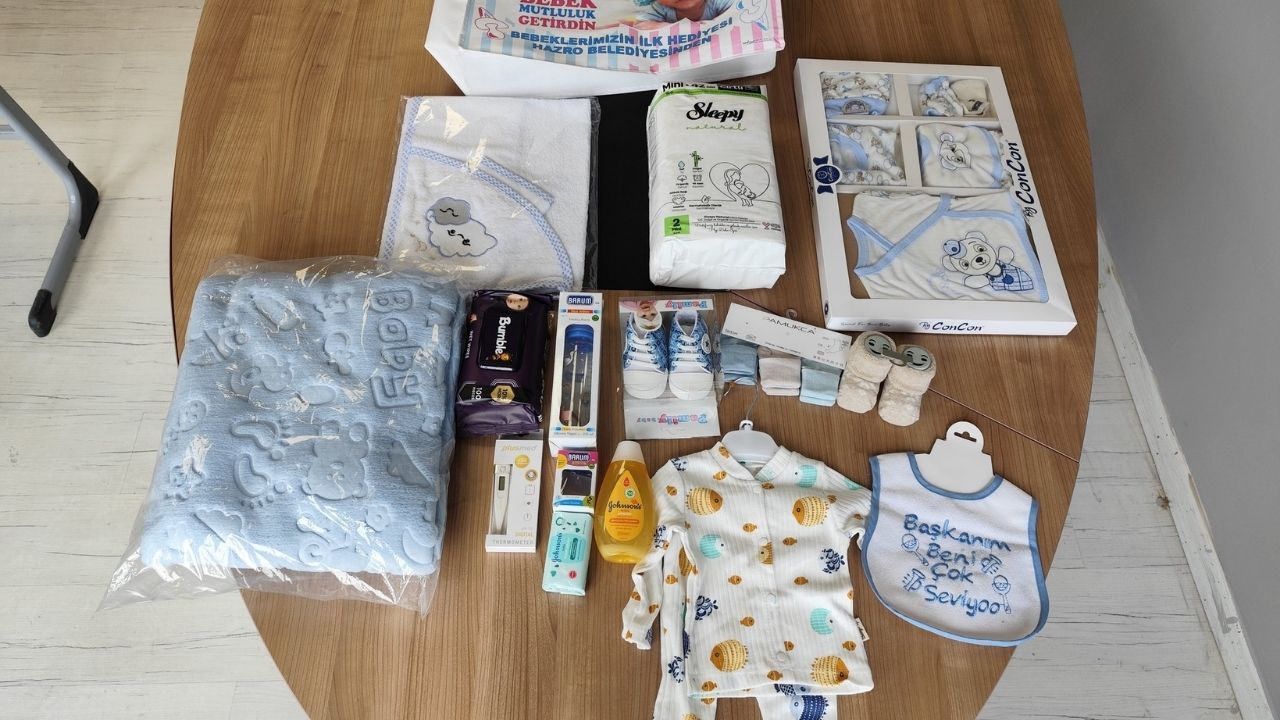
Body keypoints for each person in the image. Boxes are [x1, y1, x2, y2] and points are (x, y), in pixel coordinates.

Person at [633, 0, 734, 27]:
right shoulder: (657, 7)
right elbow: (640, 26)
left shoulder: (717, 1)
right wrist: (666, 27)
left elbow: (737, 14)